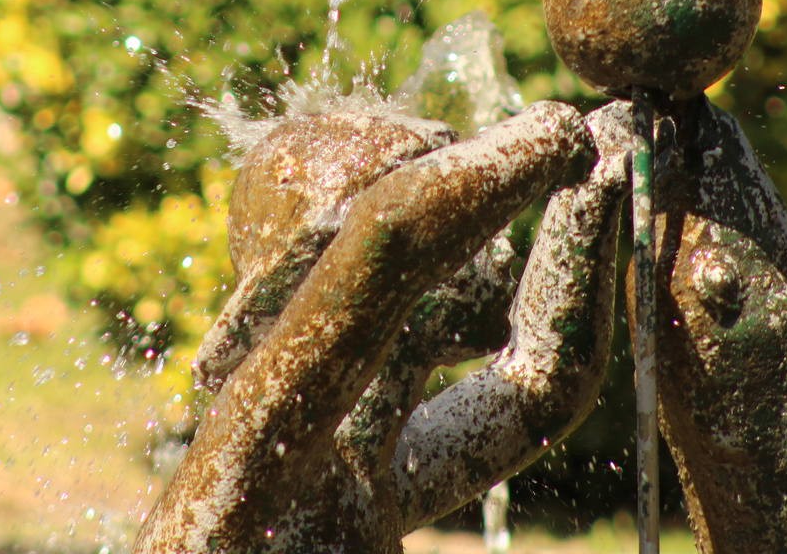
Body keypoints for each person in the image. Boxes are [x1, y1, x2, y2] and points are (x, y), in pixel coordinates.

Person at [135, 95, 633, 554]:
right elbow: (389, 229)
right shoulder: (257, 443)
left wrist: (594, 187)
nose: (494, 234)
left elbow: (544, 386)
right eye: (456, 209)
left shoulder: (376, 474)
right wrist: (551, 132)